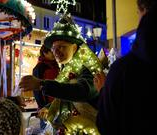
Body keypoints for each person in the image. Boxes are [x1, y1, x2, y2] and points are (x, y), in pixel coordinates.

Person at [19, 14, 102, 134]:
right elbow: (64, 95)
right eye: (53, 48)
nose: (56, 51)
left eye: (61, 47)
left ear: (74, 47)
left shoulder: (88, 64)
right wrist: (48, 108)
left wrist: (42, 84)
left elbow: (83, 91)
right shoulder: (67, 67)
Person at [97, 1, 157, 134]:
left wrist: (103, 92)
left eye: (137, 13)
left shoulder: (123, 70)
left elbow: (107, 125)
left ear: (143, 10)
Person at [32, 45, 59, 129]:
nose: (55, 53)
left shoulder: (56, 65)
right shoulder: (39, 67)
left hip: (57, 104)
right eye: (52, 51)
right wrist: (42, 106)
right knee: (46, 129)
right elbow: (36, 90)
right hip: (46, 105)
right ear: (45, 53)